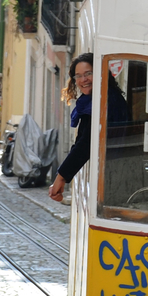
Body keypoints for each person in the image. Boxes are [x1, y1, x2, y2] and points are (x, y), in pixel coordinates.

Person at [48, 53, 128, 203]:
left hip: (114, 174)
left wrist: (61, 177)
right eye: (78, 76)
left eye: (88, 73)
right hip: (112, 171)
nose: (83, 80)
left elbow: (86, 143)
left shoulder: (102, 101)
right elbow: (82, 141)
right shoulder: (96, 99)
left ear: (100, 73)